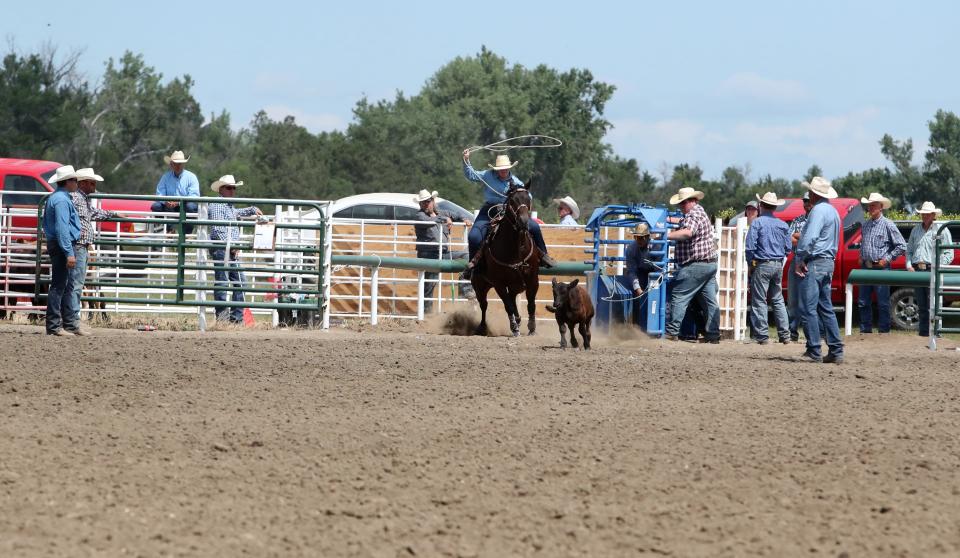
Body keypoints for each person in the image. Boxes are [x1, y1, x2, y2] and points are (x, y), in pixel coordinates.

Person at [460, 150, 555, 279]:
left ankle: (543, 256)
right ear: (496, 169)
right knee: (474, 236)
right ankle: (473, 267)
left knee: (535, 227)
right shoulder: (488, 175)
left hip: (508, 211)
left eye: (505, 168)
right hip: (489, 210)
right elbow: (471, 175)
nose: (503, 171)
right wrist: (466, 160)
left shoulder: (515, 181)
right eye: (500, 168)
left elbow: (528, 195)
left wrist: (522, 196)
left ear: (509, 168)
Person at [794, 177, 843, 364]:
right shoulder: (833, 212)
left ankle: (814, 349)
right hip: (828, 261)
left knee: (808, 307)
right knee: (826, 307)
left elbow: (809, 238)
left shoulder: (817, 211)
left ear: (814, 194)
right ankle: (836, 349)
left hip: (815, 261)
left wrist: (800, 258)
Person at [664, 187, 720, 343]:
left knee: (679, 296)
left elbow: (688, 232)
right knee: (709, 301)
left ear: (693, 201)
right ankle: (713, 334)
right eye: (681, 203)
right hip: (709, 264)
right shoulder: (698, 213)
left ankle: (672, 332)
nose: (682, 205)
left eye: (684, 202)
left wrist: (665, 235)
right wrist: (667, 220)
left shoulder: (693, 214)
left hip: (695, 264)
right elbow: (683, 222)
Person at [207, 175, 262, 323]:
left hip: (228, 249)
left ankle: (234, 319)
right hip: (222, 248)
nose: (232, 190)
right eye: (229, 188)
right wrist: (232, 246)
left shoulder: (227, 206)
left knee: (238, 282)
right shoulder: (218, 205)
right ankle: (225, 319)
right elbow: (218, 230)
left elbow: (237, 213)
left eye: (234, 188)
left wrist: (251, 209)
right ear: (221, 189)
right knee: (225, 283)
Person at [412, 189, 475, 312]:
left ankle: (465, 290)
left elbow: (457, 214)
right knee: (429, 285)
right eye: (423, 202)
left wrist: (463, 219)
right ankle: (427, 313)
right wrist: (445, 219)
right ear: (420, 204)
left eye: (427, 201)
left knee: (468, 256)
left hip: (444, 253)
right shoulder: (420, 215)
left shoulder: (441, 212)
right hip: (428, 255)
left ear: (433, 201)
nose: (425, 204)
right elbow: (429, 221)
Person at [69, 168, 117, 331]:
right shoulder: (76, 198)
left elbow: (91, 213)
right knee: (76, 283)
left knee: (76, 283)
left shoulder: (81, 199)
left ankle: (71, 319)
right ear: (83, 183)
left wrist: (113, 214)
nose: (94, 186)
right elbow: (84, 217)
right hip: (78, 245)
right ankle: (72, 320)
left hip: (80, 245)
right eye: (92, 183)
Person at [745, 192, 792, 345]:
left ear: (761, 206)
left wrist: (750, 264)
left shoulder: (757, 223)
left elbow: (750, 247)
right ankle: (785, 335)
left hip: (762, 263)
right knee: (778, 299)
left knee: (759, 300)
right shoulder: (783, 225)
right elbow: (788, 248)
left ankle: (762, 336)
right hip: (778, 264)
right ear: (775, 207)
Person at [41, 165, 82, 336]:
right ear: (68, 182)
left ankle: (67, 324)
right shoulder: (62, 201)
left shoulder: (58, 198)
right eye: (75, 180)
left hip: (59, 244)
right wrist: (69, 252)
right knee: (59, 285)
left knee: (65, 284)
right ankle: (54, 325)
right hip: (62, 245)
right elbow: (62, 228)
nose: (77, 183)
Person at [857, 192, 906, 334]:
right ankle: (865, 330)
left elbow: (901, 245)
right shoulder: (865, 225)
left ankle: (884, 331)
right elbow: (864, 244)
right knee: (863, 302)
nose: (870, 208)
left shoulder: (888, 224)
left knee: (883, 302)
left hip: (881, 267)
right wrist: (861, 255)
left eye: (873, 205)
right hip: (866, 267)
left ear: (881, 207)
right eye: (869, 206)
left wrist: (887, 259)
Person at [906, 201, 954, 337]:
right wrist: (909, 265)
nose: (924, 216)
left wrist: (937, 265)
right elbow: (909, 250)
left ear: (933, 215)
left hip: (932, 269)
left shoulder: (942, 229)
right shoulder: (915, 230)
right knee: (921, 303)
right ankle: (924, 333)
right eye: (923, 214)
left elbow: (949, 253)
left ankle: (936, 332)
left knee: (933, 303)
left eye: (927, 214)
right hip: (917, 270)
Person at [786, 192, 813, 341]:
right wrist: (803, 238)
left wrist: (798, 236)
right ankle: (792, 331)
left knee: (809, 299)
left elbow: (813, 242)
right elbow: (789, 240)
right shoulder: (797, 219)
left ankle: (813, 333)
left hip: (811, 261)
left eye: (809, 201)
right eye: (805, 201)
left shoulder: (817, 220)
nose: (806, 204)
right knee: (793, 299)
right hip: (796, 259)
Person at [152, 150, 200, 233]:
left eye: (180, 163)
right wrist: (166, 201)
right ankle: (167, 230)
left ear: (183, 164)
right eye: (176, 163)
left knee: (191, 207)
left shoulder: (191, 177)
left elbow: (194, 196)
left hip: (184, 206)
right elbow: (159, 194)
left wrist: (178, 202)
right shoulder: (165, 177)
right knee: (156, 206)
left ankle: (187, 233)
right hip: (169, 206)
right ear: (171, 164)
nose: (178, 166)